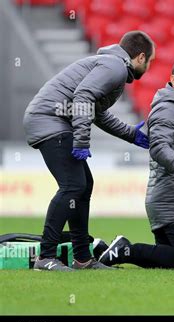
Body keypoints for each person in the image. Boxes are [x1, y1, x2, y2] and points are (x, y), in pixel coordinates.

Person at [24, 31, 155, 271]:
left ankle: (83, 258)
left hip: (52, 120)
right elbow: (82, 96)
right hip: (50, 120)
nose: (148, 67)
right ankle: (45, 258)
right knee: (73, 186)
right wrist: (82, 141)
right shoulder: (115, 67)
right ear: (140, 57)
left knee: (83, 185)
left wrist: (131, 134)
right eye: (149, 62)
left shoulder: (111, 65)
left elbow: (96, 112)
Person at [99, 58, 174, 269]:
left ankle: (102, 248)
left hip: (168, 199)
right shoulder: (169, 109)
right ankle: (126, 250)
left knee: (171, 261)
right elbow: (160, 149)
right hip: (172, 201)